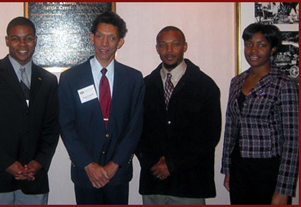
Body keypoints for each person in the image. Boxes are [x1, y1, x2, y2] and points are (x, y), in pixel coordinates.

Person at [58, 11, 144, 205]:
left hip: (118, 174)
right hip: (85, 173)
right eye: (100, 36)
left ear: (120, 42)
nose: (105, 43)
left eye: (111, 38)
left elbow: (135, 126)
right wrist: (88, 165)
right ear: (92, 38)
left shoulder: (133, 79)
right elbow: (66, 125)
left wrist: (116, 164)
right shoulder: (71, 78)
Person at [0, 17, 59, 205]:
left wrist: (39, 162)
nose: (22, 44)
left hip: (34, 177)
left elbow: (52, 128)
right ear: (7, 40)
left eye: (28, 38)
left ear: (35, 40)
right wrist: (7, 164)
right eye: (15, 38)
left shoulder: (49, 80)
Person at [135, 26, 222, 205]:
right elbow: (136, 131)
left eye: (175, 44)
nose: (169, 50)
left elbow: (209, 137)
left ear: (185, 46)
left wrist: (171, 165)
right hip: (154, 183)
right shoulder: (145, 86)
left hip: (190, 184)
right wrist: (152, 163)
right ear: (157, 48)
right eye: (163, 45)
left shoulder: (205, 86)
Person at [221, 23, 298, 205]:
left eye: (261, 44)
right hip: (240, 167)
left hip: (268, 169)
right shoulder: (237, 81)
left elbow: (293, 140)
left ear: (273, 49)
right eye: (249, 44)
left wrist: (283, 189)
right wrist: (228, 169)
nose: (253, 50)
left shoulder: (284, 85)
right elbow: (231, 127)